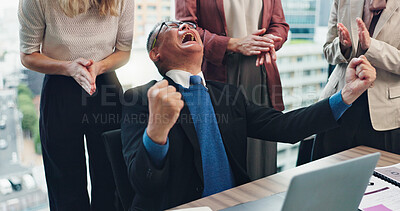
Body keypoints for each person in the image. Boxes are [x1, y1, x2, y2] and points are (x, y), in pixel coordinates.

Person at [121, 21, 376, 211]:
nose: (185, 26)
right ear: (156, 53)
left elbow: (286, 127)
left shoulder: (229, 95)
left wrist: (346, 95)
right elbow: (144, 185)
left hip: (237, 204)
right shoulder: (143, 98)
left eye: (190, 26)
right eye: (171, 26)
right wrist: (156, 132)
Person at [18, 0, 134, 210]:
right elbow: (28, 55)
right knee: (64, 183)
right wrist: (68, 68)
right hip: (59, 85)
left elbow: (124, 51)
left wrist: (98, 66)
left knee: (112, 179)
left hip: (104, 83)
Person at [176, 0, 289, 180]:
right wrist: (233, 44)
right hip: (218, 73)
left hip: (260, 73)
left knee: (261, 158)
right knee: (222, 160)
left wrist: (269, 41)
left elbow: (280, 25)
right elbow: (186, 29)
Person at [312, 0, 400, 160]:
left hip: (384, 112)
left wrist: (371, 46)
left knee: (380, 179)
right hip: (341, 102)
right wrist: (343, 47)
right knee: (328, 176)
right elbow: (327, 51)